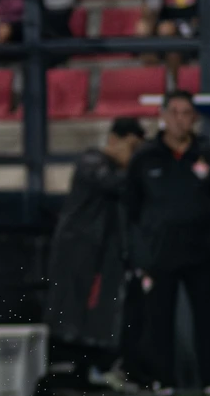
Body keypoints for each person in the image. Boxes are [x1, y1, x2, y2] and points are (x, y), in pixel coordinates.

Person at [124, 90, 210, 396]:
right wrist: (140, 255)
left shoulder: (208, 155)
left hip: (202, 251)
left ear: (194, 118)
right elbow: (132, 207)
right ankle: (164, 387)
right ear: (164, 116)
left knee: (208, 320)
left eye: (187, 113)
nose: (181, 119)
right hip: (159, 254)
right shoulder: (145, 157)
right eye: (176, 112)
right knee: (159, 322)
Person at [44, 117, 145, 381]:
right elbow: (113, 182)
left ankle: (90, 371)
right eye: (131, 147)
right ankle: (65, 371)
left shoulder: (115, 172)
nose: (134, 156)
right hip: (78, 251)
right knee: (71, 311)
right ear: (114, 140)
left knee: (97, 314)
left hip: (101, 254)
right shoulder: (92, 162)